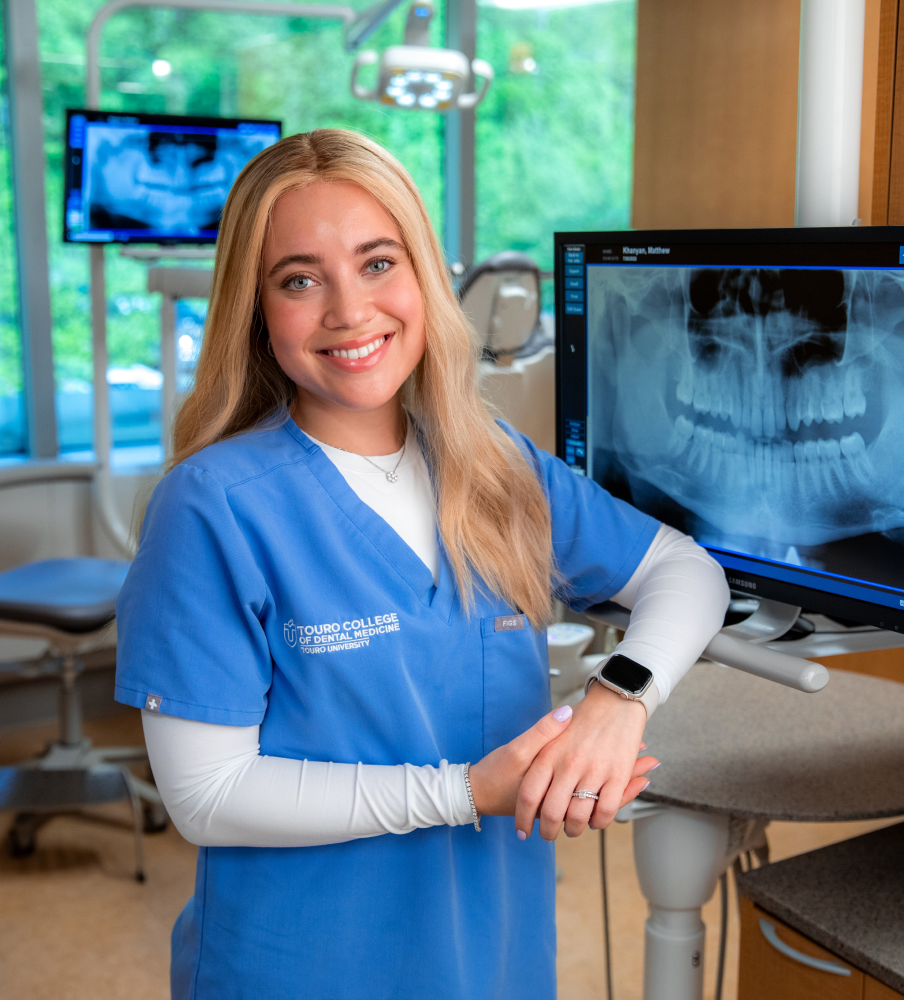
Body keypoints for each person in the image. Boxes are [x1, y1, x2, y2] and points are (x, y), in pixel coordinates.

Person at [114, 128, 729, 1000]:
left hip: (495, 955)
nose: (348, 310)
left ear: (426, 276)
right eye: (299, 279)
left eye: (376, 263)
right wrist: (464, 790)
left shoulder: (493, 466)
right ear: (255, 309)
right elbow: (207, 797)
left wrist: (617, 701)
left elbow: (686, 572)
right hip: (305, 966)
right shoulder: (214, 504)